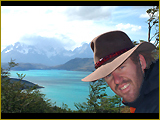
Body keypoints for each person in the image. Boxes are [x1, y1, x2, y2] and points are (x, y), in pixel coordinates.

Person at [82, 30, 159, 113]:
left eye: (121, 67)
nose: (117, 80)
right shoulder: (143, 102)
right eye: (108, 75)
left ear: (141, 62)